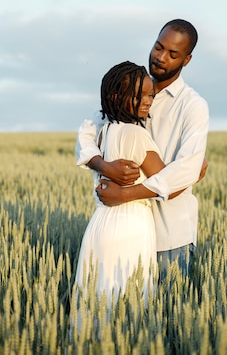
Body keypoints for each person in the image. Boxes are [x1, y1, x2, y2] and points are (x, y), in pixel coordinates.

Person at [76, 19, 209, 279]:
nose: (160, 58)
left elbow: (186, 169)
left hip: (171, 236)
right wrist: (105, 166)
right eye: (158, 47)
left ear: (187, 60)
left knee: (164, 317)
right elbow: (86, 132)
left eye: (173, 54)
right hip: (125, 230)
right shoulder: (129, 91)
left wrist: (125, 195)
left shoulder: (193, 106)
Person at [74, 61, 181, 304]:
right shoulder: (136, 135)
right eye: (139, 95)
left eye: (150, 95)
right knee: (129, 304)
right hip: (130, 225)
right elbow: (168, 182)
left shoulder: (103, 132)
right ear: (116, 96)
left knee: (97, 300)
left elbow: (84, 142)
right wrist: (197, 168)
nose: (147, 101)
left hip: (100, 223)